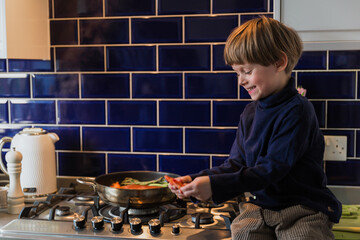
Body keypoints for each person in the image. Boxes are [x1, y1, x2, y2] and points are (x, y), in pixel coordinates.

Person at [167, 17, 342, 240]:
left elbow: (272, 169)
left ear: (279, 62)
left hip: (302, 208)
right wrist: (196, 179)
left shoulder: (298, 110)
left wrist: (214, 185)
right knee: (242, 233)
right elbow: (236, 164)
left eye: (247, 71)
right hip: (261, 207)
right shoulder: (249, 113)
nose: (241, 80)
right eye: (237, 73)